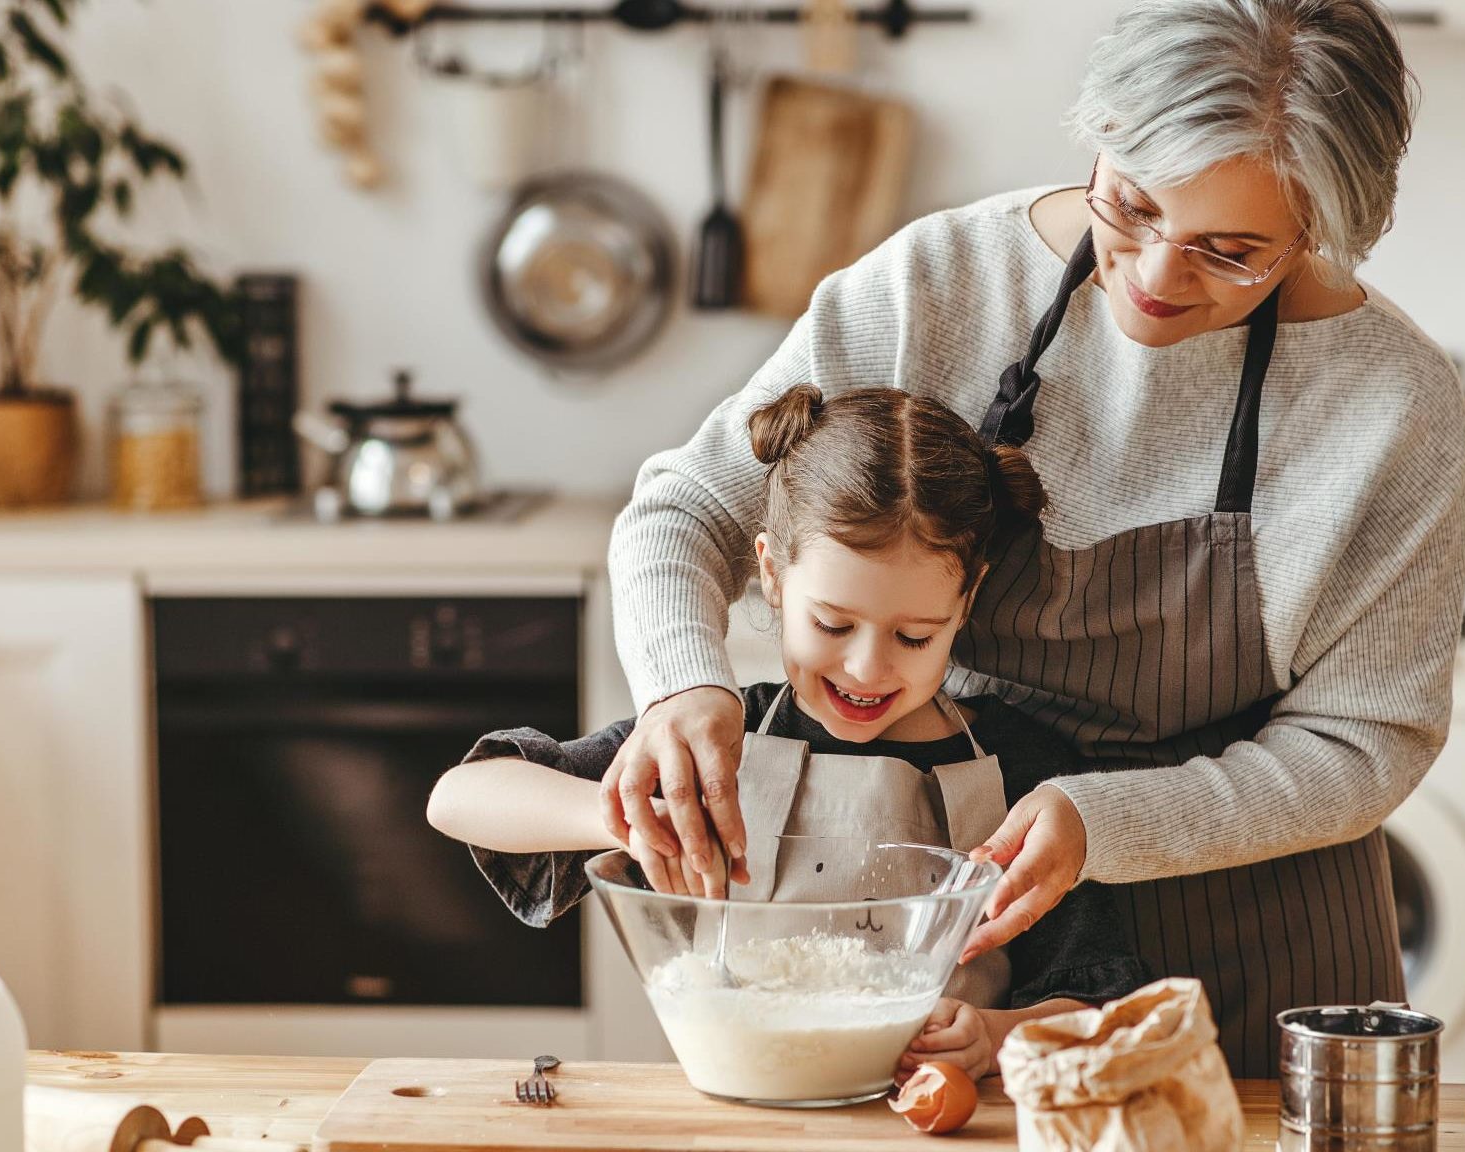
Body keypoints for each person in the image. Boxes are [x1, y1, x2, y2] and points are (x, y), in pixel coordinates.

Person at [597, 0, 1465, 1078]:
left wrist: (1100, 818)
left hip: (1268, 948)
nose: (1154, 279)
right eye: (1132, 207)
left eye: (1231, 250)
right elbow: (688, 511)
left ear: (1328, 226)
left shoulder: (1393, 403)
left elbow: (1366, 744)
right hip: (979, 955)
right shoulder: (940, 284)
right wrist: (682, 683)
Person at [429, 385, 1151, 1080]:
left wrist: (996, 1038)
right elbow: (460, 798)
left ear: (968, 601)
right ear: (771, 575)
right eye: (833, 624)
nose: (868, 668)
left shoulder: (1021, 767)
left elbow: (1099, 1003)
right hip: (746, 1118)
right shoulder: (713, 746)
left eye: (914, 635)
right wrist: (622, 817)